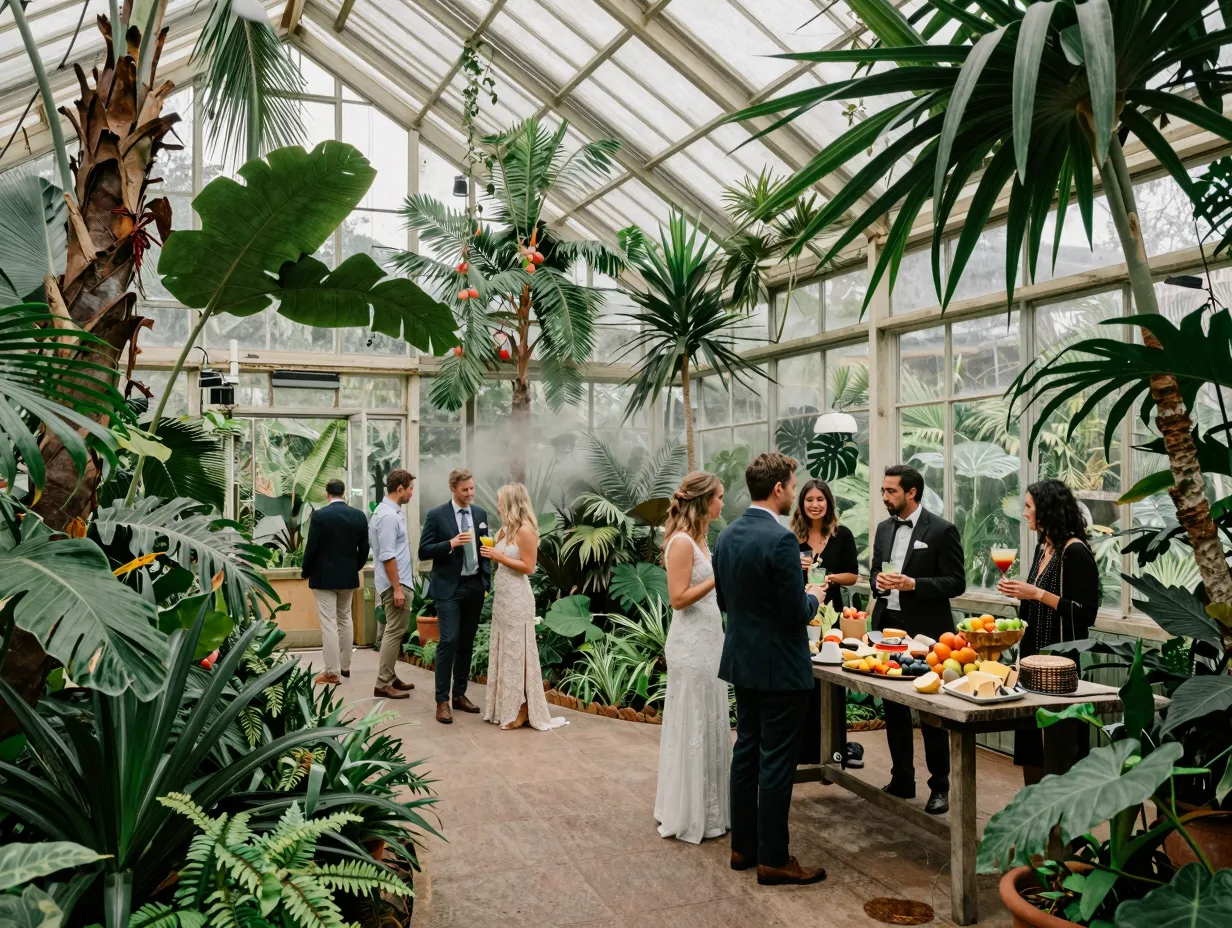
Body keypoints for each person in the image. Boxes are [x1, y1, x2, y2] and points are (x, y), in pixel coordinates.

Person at [714, 451, 827, 886]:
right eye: (793, 486)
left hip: (743, 659)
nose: (795, 493)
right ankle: (775, 858)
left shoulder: (727, 535)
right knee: (777, 761)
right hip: (780, 665)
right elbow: (794, 611)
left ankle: (743, 847)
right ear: (778, 488)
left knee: (746, 750)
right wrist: (813, 594)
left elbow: (726, 603)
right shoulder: (780, 541)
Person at [869, 464, 965, 815]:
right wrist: (878, 582)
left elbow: (956, 583)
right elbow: (875, 573)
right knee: (893, 705)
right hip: (887, 627)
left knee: (931, 712)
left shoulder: (941, 530)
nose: (884, 496)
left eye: (891, 491)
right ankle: (902, 778)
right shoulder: (882, 528)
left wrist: (915, 585)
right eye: (883, 490)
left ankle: (940, 786)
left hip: (927, 634)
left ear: (911, 493)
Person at [998, 479, 1099, 785]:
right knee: (1030, 745)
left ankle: (1065, 824)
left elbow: (1085, 613)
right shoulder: (1044, 548)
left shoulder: (1075, 552)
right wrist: (1021, 594)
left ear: (1047, 510)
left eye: (1029, 506)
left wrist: (1036, 594)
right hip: (1030, 660)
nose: (1025, 513)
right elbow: (1036, 600)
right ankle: (1035, 814)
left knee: (1061, 747)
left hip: (1059, 663)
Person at [654, 471, 731, 844]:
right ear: (703, 500)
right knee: (694, 722)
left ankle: (710, 806)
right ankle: (687, 811)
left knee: (709, 720)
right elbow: (678, 598)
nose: (722, 503)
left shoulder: (700, 537)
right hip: (691, 645)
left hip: (709, 640)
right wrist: (719, 577)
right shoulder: (682, 542)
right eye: (718, 497)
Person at [480, 483, 566, 731]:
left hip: (519, 597)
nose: (497, 505)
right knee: (504, 651)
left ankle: (522, 708)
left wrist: (499, 557)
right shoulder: (502, 531)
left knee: (519, 652)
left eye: (500, 501)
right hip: (502, 598)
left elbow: (529, 567)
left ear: (511, 503)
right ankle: (504, 706)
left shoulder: (526, 531)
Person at [790, 477, 861, 768]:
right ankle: (804, 749)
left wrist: (829, 577)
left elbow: (853, 575)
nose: (815, 505)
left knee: (831, 679)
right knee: (805, 678)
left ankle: (833, 747)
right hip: (802, 611)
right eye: (809, 500)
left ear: (828, 503)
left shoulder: (842, 535)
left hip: (832, 613)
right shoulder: (792, 536)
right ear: (802, 504)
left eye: (820, 500)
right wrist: (796, 564)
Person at [418, 467, 491, 725]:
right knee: (449, 640)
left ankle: (459, 695)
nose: (470, 493)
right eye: (465, 490)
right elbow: (423, 551)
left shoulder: (480, 514)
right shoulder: (437, 515)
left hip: (474, 586)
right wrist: (450, 544)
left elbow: (485, 545)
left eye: (472, 488)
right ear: (453, 489)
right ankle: (442, 701)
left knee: (466, 642)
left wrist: (486, 578)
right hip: (449, 588)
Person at [301, 478, 370, 685]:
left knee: (329, 623)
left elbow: (311, 547)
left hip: (324, 578)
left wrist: (306, 571)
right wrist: (354, 568)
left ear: (327, 493)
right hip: (347, 578)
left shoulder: (320, 516)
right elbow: (364, 548)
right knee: (345, 619)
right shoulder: (358, 516)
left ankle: (332, 672)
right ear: (344, 493)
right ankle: (345, 666)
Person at [368, 469, 417, 699]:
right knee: (394, 632)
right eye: (410, 489)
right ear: (400, 489)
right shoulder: (388, 517)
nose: (411, 494)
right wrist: (397, 588)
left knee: (395, 631)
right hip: (396, 584)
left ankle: (391, 675)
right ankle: (383, 682)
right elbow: (388, 555)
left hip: (395, 582)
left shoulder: (387, 512)